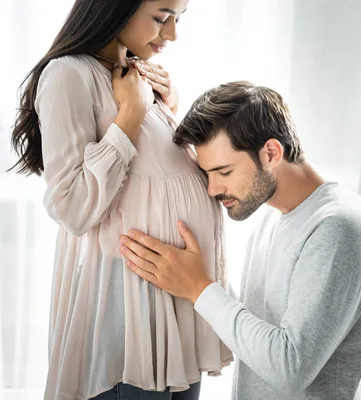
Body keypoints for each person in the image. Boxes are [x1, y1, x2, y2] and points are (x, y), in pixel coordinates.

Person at [9, 1, 232, 398]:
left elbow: (154, 180)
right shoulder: (68, 75)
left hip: (177, 311)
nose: (172, 35)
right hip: (130, 316)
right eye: (162, 18)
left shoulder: (136, 76)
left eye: (177, 20)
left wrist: (167, 110)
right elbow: (72, 207)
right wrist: (130, 115)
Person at [120, 81, 361, 399]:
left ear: (272, 153)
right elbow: (252, 335)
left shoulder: (340, 226)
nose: (212, 189)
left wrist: (199, 288)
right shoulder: (270, 222)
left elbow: (291, 367)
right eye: (207, 174)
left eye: (223, 171)